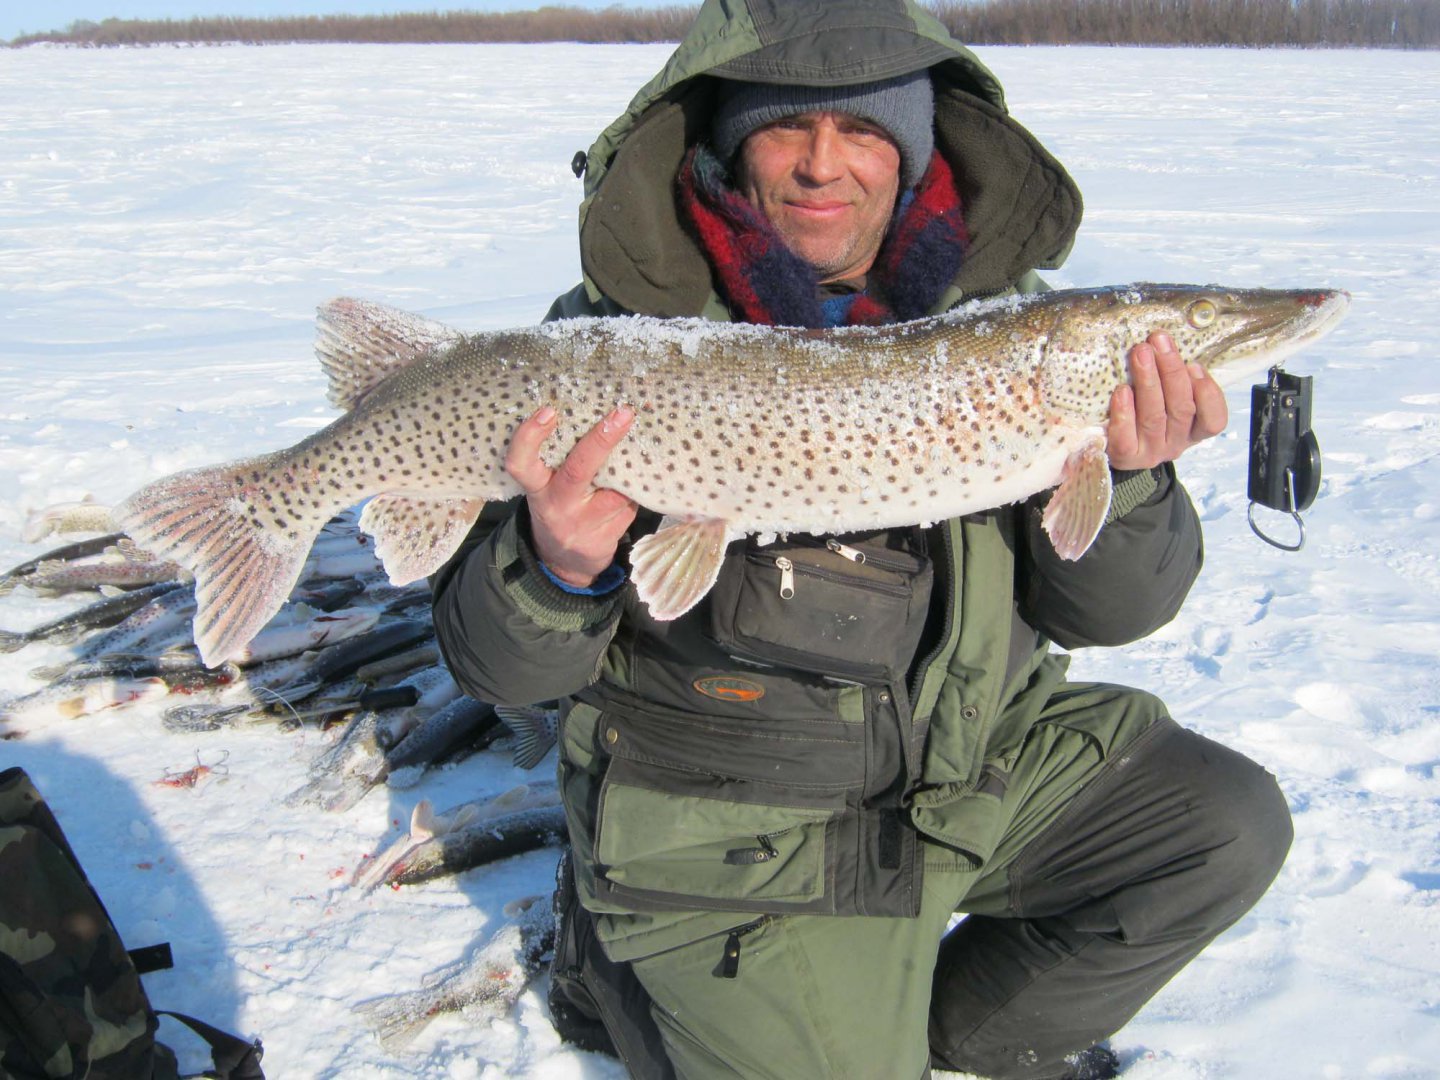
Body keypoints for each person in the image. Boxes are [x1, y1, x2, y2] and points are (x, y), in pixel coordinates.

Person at [432, 2, 1294, 1077]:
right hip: (736, 833)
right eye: (786, 128)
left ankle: (934, 1035)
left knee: (1223, 828)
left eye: (864, 132)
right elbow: (492, 664)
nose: (820, 167)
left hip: (965, 769)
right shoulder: (611, 345)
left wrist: (1127, 478)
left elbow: (1117, 613)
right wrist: (559, 570)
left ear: (917, 148)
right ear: (731, 144)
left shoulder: (1016, 334)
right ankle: (613, 962)